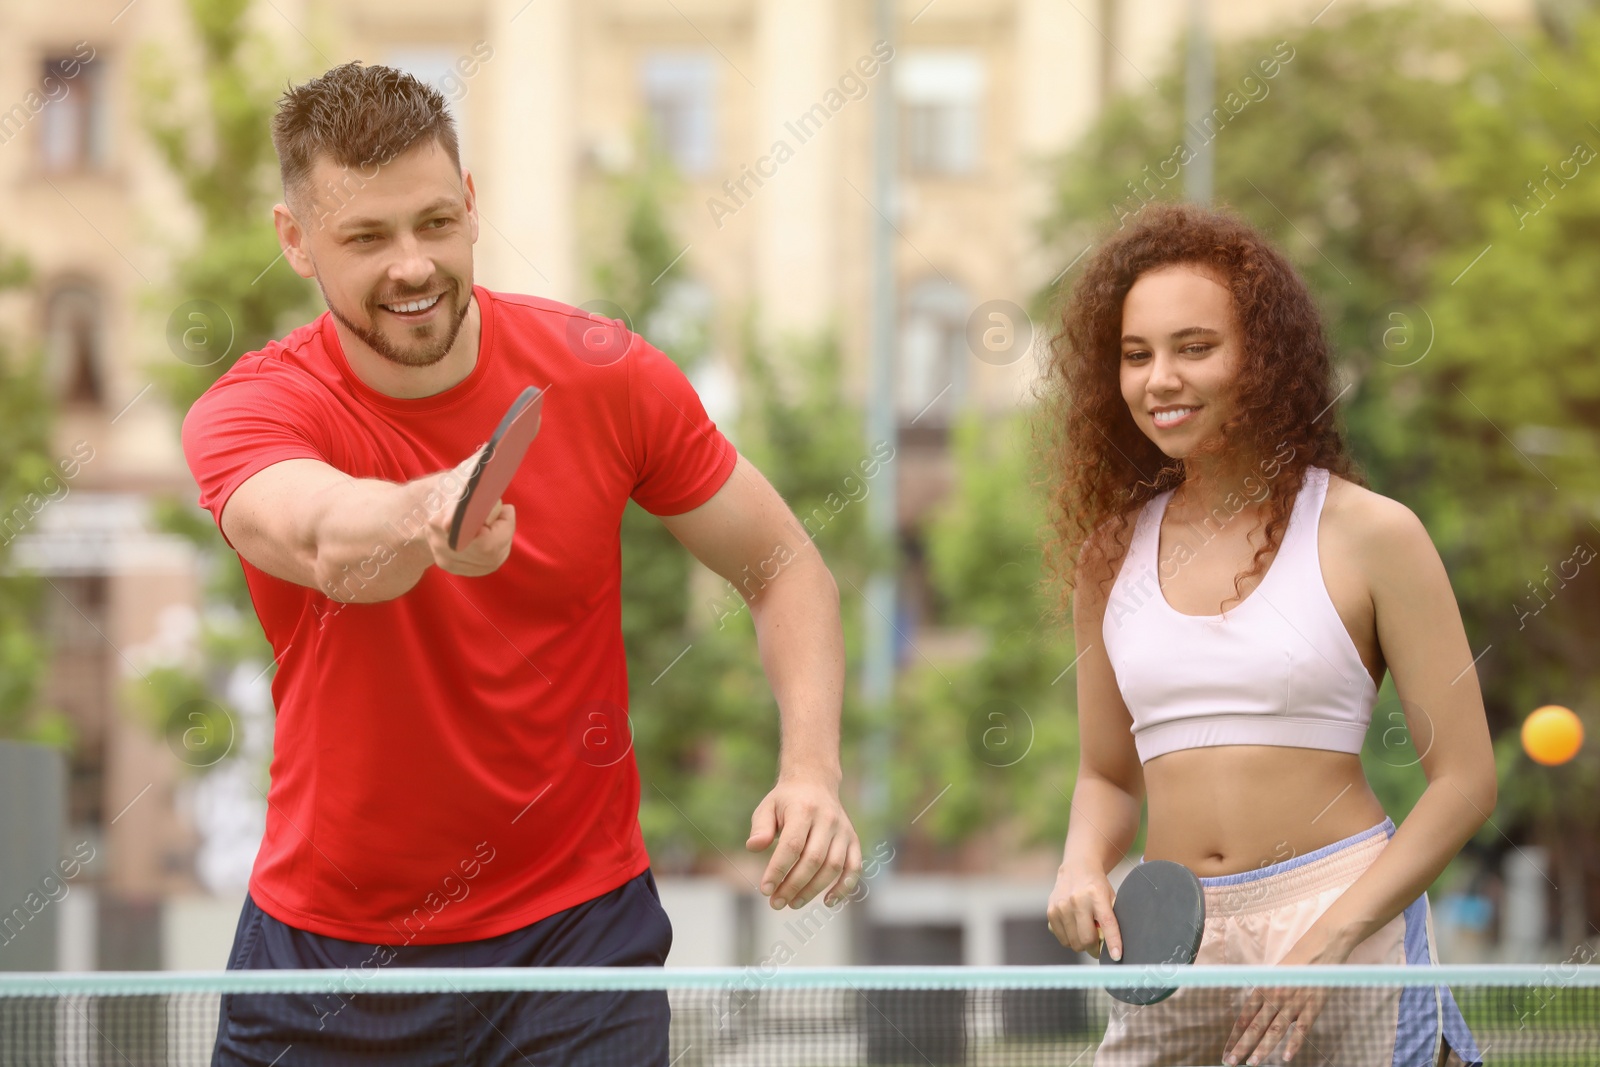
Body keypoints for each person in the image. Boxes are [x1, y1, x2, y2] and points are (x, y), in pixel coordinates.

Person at [182, 62, 861, 1066]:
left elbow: (781, 563)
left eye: (433, 223)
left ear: (470, 203)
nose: (412, 264)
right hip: (326, 959)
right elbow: (320, 535)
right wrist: (427, 512)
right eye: (366, 237)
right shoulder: (251, 410)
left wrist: (811, 770)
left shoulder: (607, 373)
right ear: (296, 242)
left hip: (574, 943)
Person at [1039, 203, 1493, 1067]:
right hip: (1169, 941)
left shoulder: (1374, 533)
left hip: (1341, 912)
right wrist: (1080, 864)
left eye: (1194, 347)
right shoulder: (1108, 555)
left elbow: (1466, 782)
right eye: (1136, 356)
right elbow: (1105, 773)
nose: (1158, 378)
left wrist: (1334, 935)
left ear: (1263, 359)